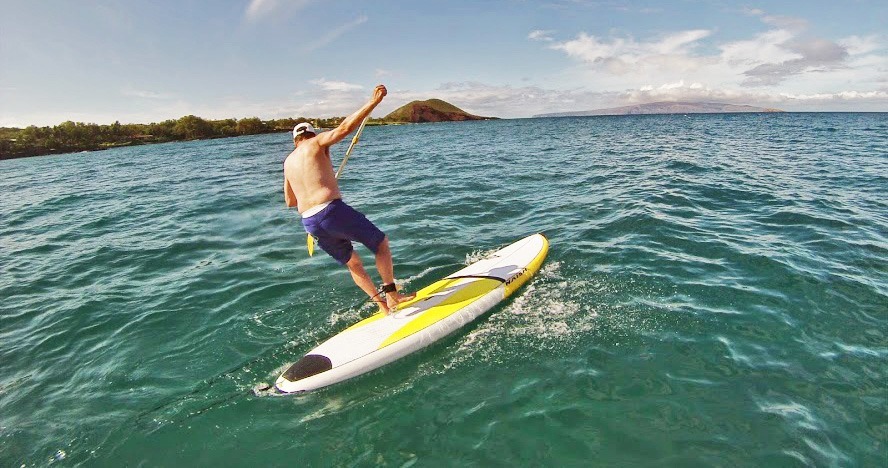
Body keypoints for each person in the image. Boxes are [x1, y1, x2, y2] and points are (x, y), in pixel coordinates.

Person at [283, 84, 413, 314]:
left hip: (309, 222)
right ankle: (393, 295)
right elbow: (344, 128)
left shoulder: (287, 162)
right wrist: (374, 103)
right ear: (311, 134)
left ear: (295, 140)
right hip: (331, 212)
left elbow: (290, 202)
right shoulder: (316, 142)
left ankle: (381, 307)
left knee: (353, 264)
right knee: (381, 244)